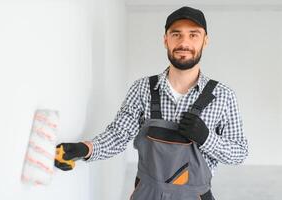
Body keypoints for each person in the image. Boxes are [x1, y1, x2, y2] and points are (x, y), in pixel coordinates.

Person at [55, 6, 249, 200]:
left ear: (205, 41)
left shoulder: (223, 96)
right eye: (176, 34)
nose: (184, 42)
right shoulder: (142, 89)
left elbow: (239, 153)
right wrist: (86, 149)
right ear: (166, 40)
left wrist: (207, 138)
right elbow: (118, 135)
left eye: (193, 35)